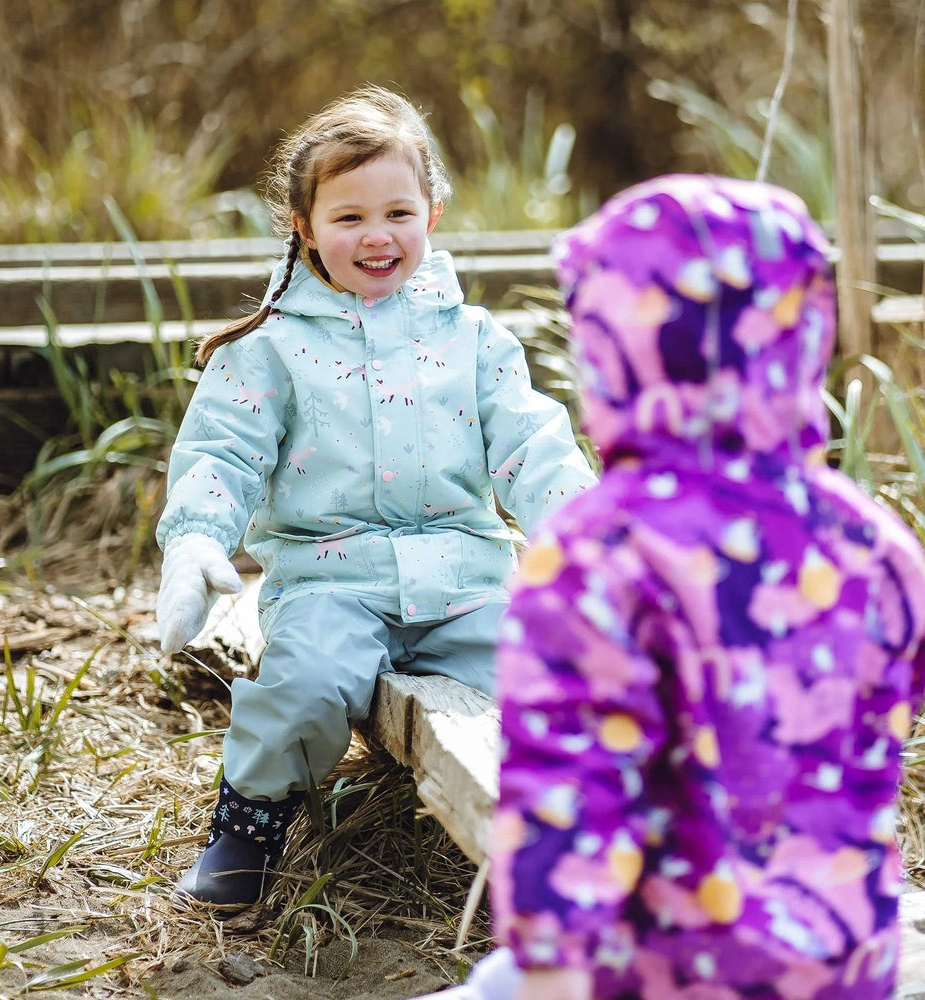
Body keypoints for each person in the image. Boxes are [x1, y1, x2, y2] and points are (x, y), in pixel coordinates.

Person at [416, 174, 925, 999]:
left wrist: (551, 963)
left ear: (614, 346)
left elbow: (571, 788)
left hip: (654, 965)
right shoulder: (871, 540)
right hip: (842, 955)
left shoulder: (596, 551)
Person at [154, 84, 596, 911]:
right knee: (306, 683)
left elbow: (533, 446)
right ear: (305, 226)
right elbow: (223, 450)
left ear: (432, 211)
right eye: (348, 216)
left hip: (467, 586)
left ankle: (579, 833)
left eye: (397, 211)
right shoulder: (274, 349)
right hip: (333, 581)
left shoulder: (476, 341)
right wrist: (196, 540)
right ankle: (248, 826)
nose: (376, 235)